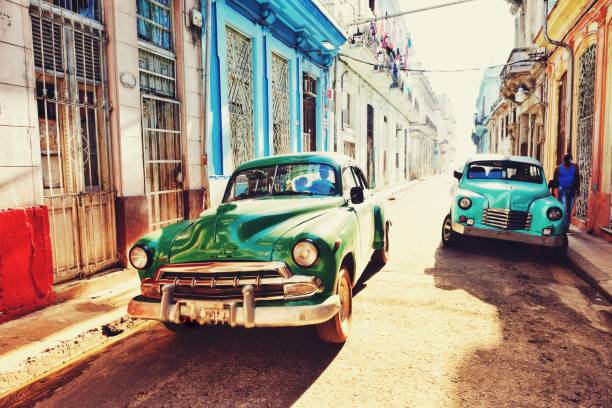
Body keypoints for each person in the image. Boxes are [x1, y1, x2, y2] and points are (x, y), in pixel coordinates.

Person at [551, 153, 581, 233]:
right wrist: (555, 192)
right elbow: (555, 181)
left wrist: (577, 190)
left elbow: (578, 178)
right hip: (562, 190)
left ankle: (565, 225)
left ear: (570, 159)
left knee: (569, 208)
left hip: (571, 190)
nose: (567, 161)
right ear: (563, 160)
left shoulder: (575, 167)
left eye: (568, 159)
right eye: (565, 159)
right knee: (565, 209)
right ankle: (565, 228)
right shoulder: (558, 169)